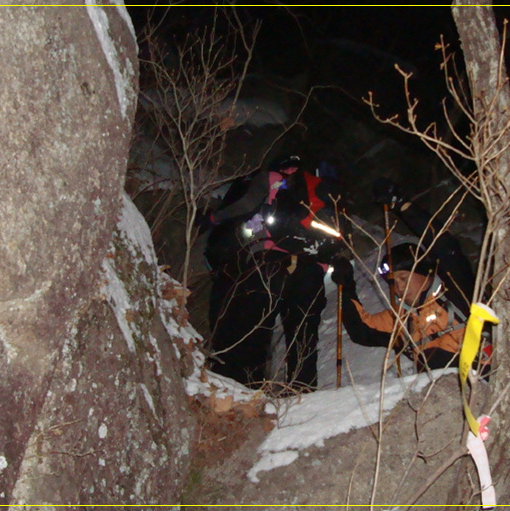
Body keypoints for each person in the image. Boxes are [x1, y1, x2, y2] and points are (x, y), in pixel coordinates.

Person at [203, 155, 343, 391]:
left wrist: (214, 218)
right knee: (303, 335)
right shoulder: (319, 188)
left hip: (272, 263)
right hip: (311, 269)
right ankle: (302, 391)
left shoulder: (271, 178)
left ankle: (247, 389)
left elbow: (246, 205)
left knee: (256, 328)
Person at [329, 178, 482, 372]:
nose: (399, 288)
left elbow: (444, 244)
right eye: (393, 283)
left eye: (403, 278)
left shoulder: (456, 292)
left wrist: (402, 205)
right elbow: (361, 331)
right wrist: (346, 286)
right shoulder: (402, 319)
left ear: (425, 273)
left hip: (483, 378)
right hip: (440, 393)